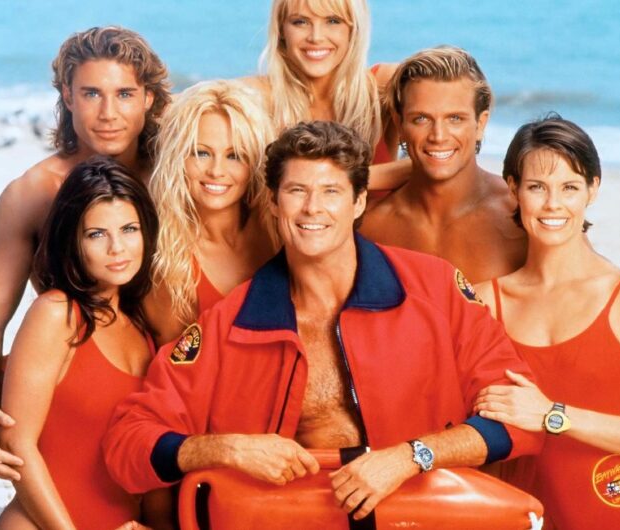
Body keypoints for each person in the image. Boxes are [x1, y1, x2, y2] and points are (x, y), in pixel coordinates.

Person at [103, 121, 543, 522]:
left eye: (331, 191)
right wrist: (226, 448)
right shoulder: (228, 326)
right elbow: (128, 442)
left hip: (420, 518)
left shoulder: (436, 289)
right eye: (297, 191)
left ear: (358, 201)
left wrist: (412, 456)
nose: (312, 208)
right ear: (274, 202)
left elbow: (521, 419)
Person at [0, 26, 169, 529]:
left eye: (124, 94)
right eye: (91, 93)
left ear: (148, 99)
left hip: (151, 358)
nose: (108, 113)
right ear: (67, 96)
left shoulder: (172, 175)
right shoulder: (33, 192)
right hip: (65, 356)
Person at [471, 116, 620, 530]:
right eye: (537, 187)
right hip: (530, 520)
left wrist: (553, 415)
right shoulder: (484, 304)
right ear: (513, 189)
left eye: (570, 187)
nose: (553, 204)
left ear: (593, 189)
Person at [360, 46, 620, 292]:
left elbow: (592, 286)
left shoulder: (524, 215)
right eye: (421, 119)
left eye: (455, 118)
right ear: (400, 124)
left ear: (481, 123)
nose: (438, 136)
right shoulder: (371, 223)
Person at [0, 156, 172, 529]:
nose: (117, 248)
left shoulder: (144, 328)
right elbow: (17, 443)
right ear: (72, 241)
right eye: (96, 234)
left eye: (129, 229)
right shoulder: (56, 314)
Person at [144, 80, 280, 345]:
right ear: (178, 158)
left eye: (234, 156)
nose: (216, 171)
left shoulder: (279, 230)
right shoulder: (168, 265)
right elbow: (173, 367)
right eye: (201, 153)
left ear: (254, 163)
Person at [244, 0, 409, 190]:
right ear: (281, 30)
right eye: (300, 22)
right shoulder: (253, 99)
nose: (316, 37)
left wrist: (344, 180)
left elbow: (436, 159)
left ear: (354, 29)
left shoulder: (384, 85)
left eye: (332, 21)